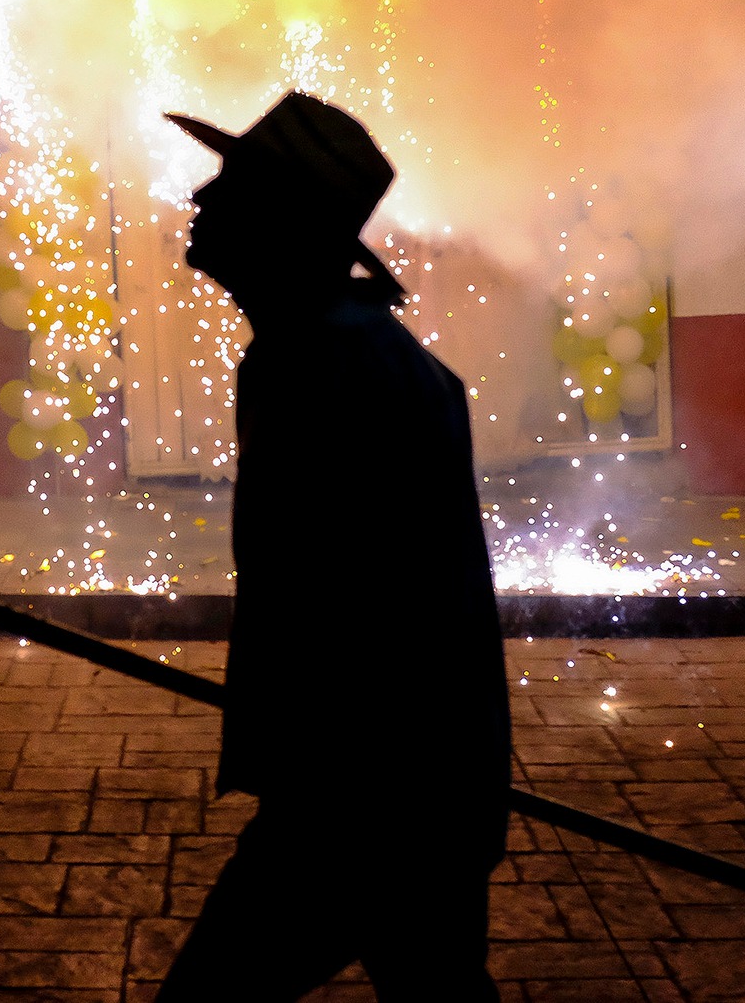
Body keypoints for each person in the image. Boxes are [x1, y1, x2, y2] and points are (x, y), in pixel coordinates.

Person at [156, 92, 511, 1001]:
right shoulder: (343, 350)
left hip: (365, 802)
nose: (201, 198)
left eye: (229, 184)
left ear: (280, 222)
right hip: (416, 784)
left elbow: (354, 608)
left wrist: (309, 769)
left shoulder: (323, 366)